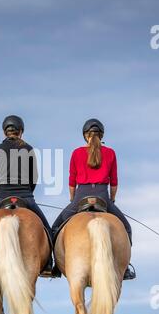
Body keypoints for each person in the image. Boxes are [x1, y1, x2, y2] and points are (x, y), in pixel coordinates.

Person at [0, 115, 60, 278]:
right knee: (47, 229)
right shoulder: (28, 149)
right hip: (25, 197)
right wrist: (28, 193)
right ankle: (48, 264)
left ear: (5, 132)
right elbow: (34, 178)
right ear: (21, 131)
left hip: (1, 196)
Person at [52, 118, 136, 280]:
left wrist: (72, 199)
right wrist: (111, 200)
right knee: (126, 228)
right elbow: (114, 181)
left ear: (85, 135)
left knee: (55, 227)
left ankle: (56, 264)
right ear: (101, 134)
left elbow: (72, 180)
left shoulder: (76, 153)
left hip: (81, 195)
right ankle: (125, 268)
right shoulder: (110, 153)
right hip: (102, 195)